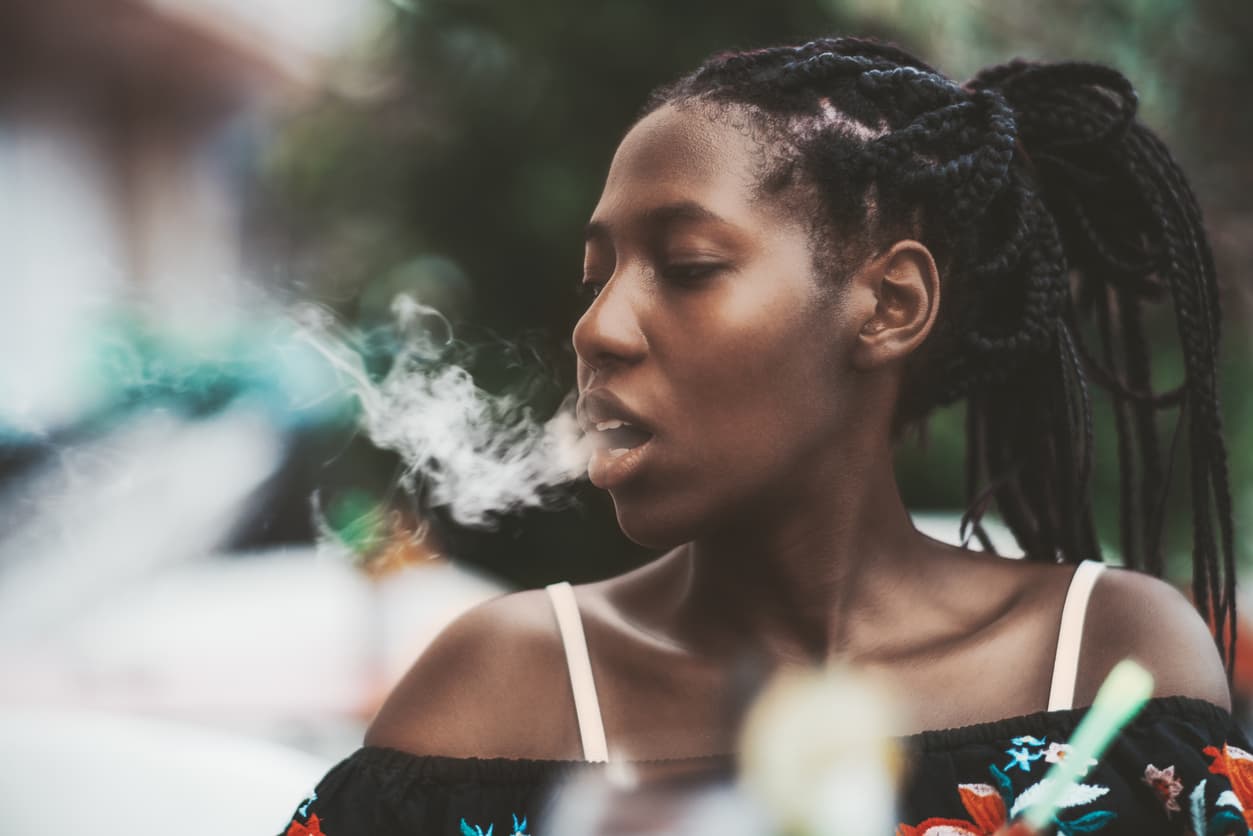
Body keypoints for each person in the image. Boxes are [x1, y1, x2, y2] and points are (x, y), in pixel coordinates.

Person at [279, 37, 1249, 835]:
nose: (597, 328)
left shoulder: (1106, 659)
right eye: (596, 276)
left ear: (887, 303)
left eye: (687, 263)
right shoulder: (496, 693)